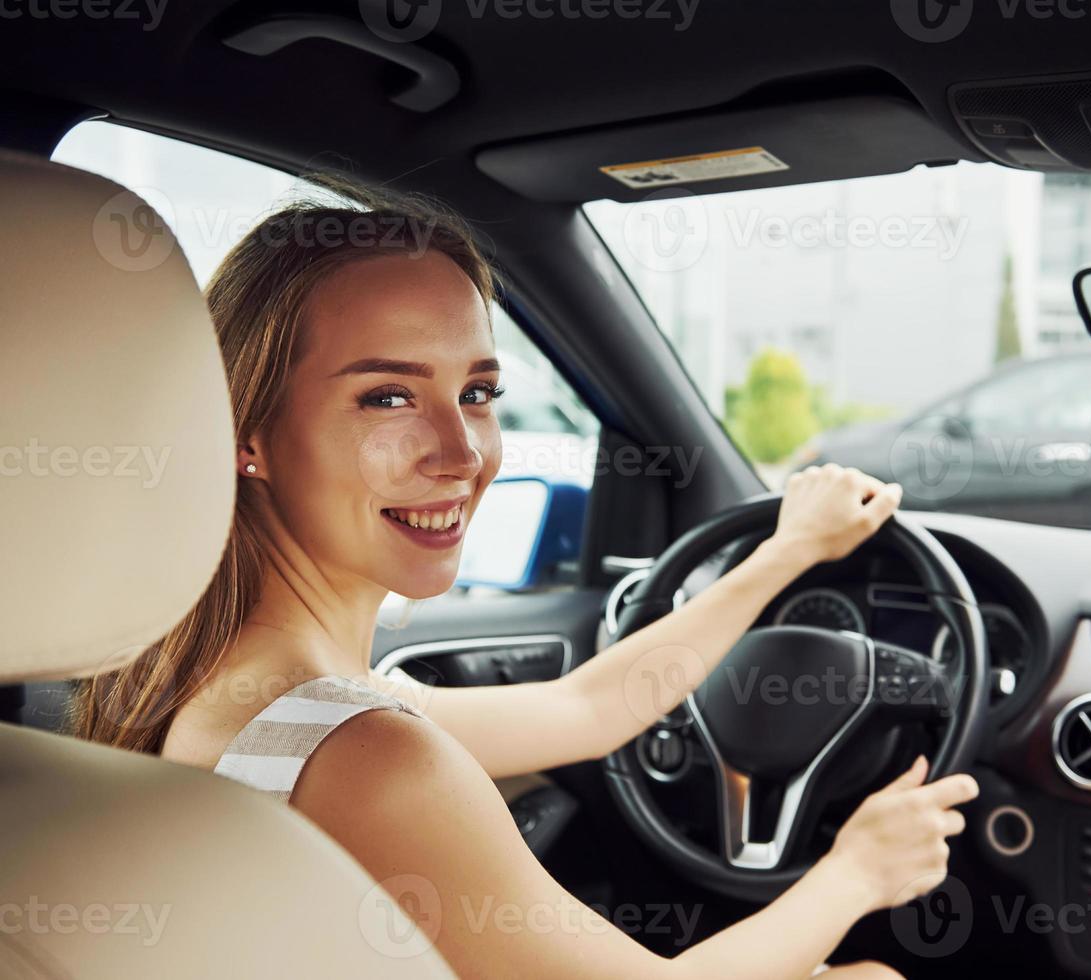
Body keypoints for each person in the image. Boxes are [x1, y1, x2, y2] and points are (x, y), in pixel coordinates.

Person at [70, 180, 978, 979]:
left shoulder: (226, 688)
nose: (462, 453)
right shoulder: (369, 760)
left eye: (476, 392)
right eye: (388, 396)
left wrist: (788, 551)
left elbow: (589, 710)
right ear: (248, 435)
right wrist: (857, 873)